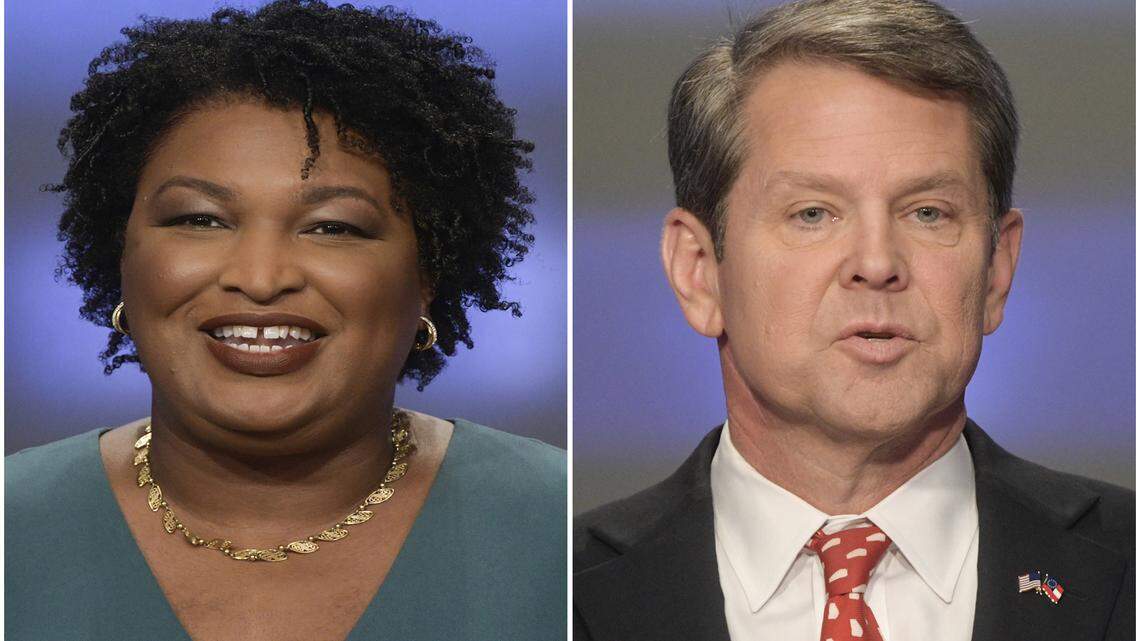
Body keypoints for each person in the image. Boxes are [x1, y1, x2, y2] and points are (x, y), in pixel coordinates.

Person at [574, 1, 1132, 640]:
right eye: (813, 213)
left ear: (996, 270)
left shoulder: (1126, 563)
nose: (876, 263)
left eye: (928, 212)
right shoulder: (561, 589)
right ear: (700, 273)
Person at [6, 2, 565, 640]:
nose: (261, 277)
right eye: (199, 219)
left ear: (428, 275)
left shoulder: (559, 533)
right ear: (121, 256)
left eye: (333, 227)